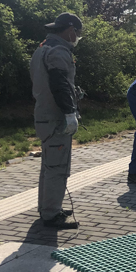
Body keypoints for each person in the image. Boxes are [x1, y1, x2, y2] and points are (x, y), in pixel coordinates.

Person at [30, 12, 84, 230]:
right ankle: (52, 215)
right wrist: (69, 112)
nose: (77, 37)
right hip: (56, 119)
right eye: (77, 33)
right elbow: (59, 84)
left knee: (48, 166)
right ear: (70, 31)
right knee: (57, 168)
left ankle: (47, 208)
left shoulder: (42, 49)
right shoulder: (59, 52)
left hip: (44, 116)